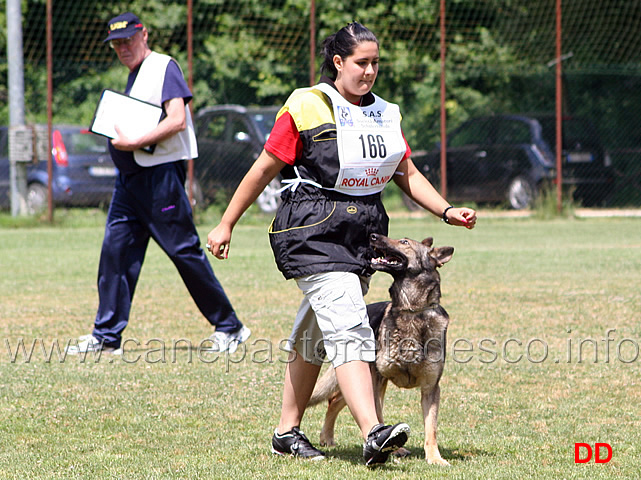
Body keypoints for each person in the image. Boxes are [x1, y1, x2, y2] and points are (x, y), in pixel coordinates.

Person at [206, 22, 476, 466]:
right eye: (361, 63)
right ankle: (374, 432)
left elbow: (405, 172)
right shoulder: (307, 104)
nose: (370, 72)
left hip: (360, 240)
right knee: (350, 321)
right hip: (312, 232)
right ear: (338, 62)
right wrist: (226, 223)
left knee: (312, 335)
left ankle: (285, 433)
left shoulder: (385, 113)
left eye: (375, 64)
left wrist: (445, 211)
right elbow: (262, 169)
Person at [67, 12, 250, 355]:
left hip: (160, 178)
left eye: (127, 40)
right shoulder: (135, 74)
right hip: (130, 181)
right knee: (115, 253)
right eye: (116, 44)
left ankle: (230, 327)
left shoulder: (164, 66)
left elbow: (177, 119)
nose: (122, 48)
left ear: (144, 34)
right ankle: (106, 337)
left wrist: (135, 142)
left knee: (183, 252)